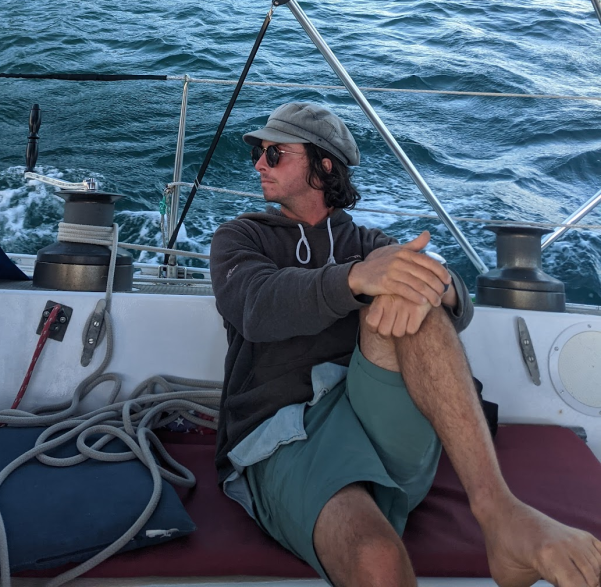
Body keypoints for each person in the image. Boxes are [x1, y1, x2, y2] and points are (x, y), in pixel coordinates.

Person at [210, 102, 601, 587]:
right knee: (377, 562)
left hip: (378, 416)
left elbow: (459, 304)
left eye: (274, 153)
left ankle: (499, 513)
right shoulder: (241, 237)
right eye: (258, 153)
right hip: (287, 430)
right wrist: (355, 279)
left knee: (414, 298)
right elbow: (254, 305)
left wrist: (440, 286)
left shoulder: (372, 244)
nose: (258, 164)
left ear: (323, 165)